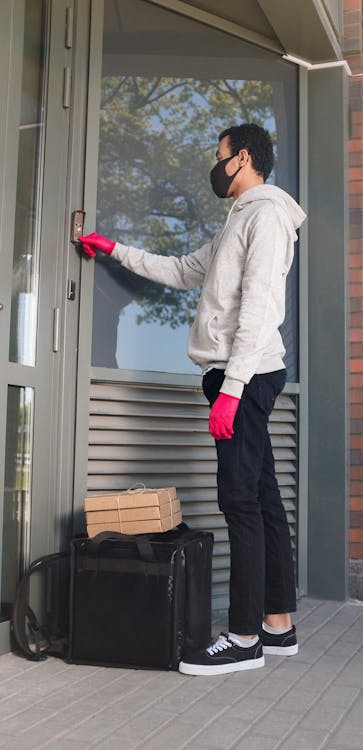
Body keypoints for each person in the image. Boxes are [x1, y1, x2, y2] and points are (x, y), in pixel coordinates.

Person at [78, 123, 306, 676]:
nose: (215, 163)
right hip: (239, 375)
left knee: (240, 502)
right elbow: (181, 271)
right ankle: (277, 626)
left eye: (220, 155)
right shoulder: (239, 219)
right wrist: (114, 250)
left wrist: (231, 392)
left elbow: (259, 309)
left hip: (243, 375)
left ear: (243, 157)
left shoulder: (267, 216)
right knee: (265, 498)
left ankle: (245, 637)